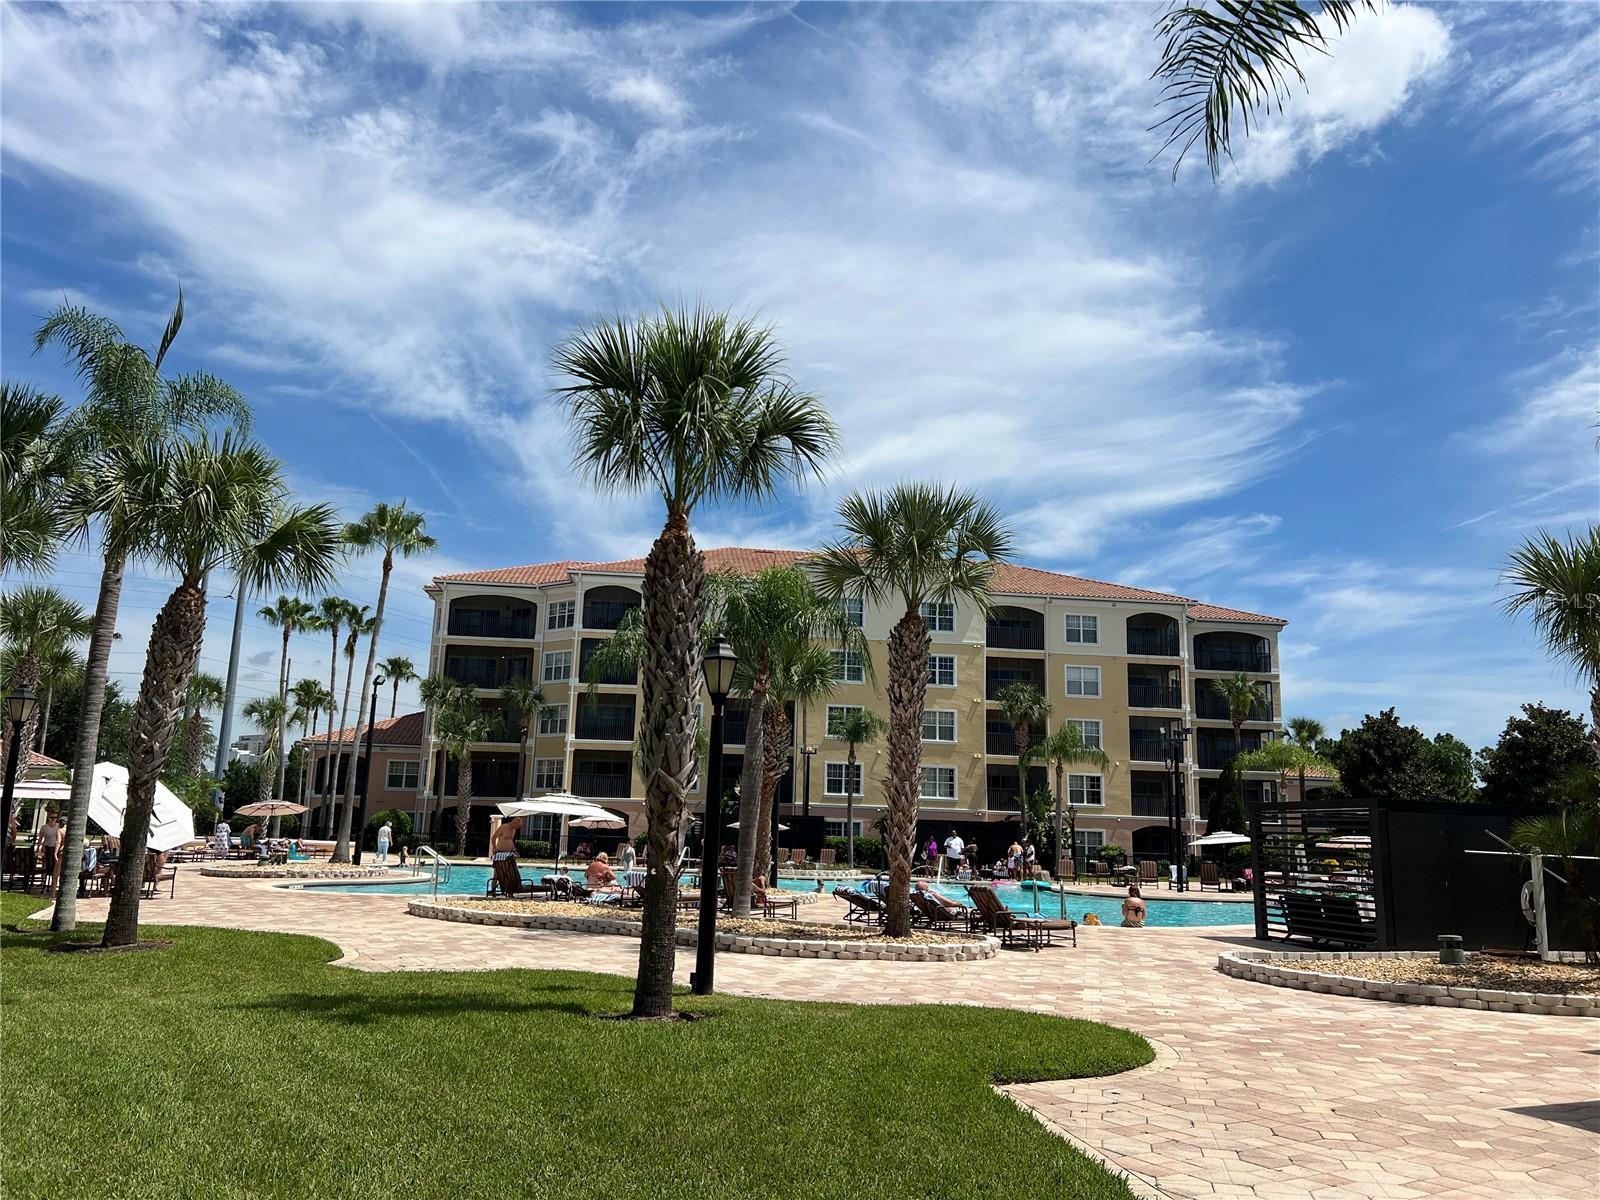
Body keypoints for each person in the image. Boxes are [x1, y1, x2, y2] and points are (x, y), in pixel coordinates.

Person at [37, 810, 63, 890]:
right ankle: (43, 880)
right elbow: (40, 838)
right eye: (52, 817)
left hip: (56, 848)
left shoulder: (58, 827)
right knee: (45, 864)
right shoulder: (44, 827)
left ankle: (54, 882)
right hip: (46, 847)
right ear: (48, 817)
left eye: (55, 817)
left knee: (56, 865)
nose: (53, 819)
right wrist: (38, 847)